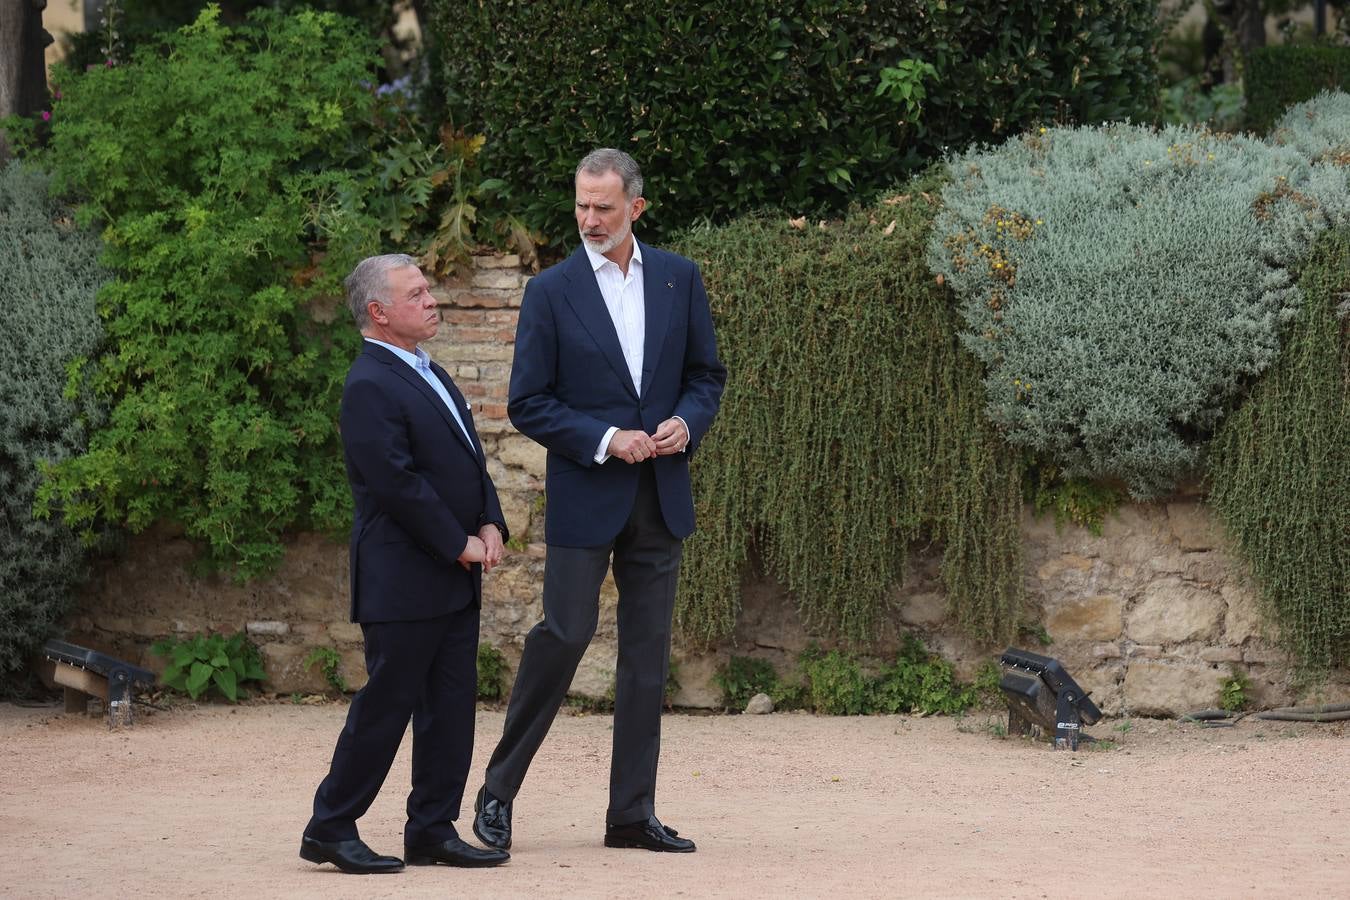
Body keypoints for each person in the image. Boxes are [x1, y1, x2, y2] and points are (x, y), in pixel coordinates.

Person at [473, 149, 726, 853]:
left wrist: (686, 423)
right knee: (562, 636)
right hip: (586, 495)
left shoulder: (679, 277)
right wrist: (608, 439)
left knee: (647, 658)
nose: (588, 218)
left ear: (635, 207)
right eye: (581, 205)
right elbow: (527, 402)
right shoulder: (550, 291)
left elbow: (706, 375)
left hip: (660, 496)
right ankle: (496, 793)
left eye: (603, 207)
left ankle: (631, 815)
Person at [299, 254, 511, 874]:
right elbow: (395, 483)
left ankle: (432, 829)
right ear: (379, 312)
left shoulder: (429, 370)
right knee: (386, 708)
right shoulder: (369, 383)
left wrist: (490, 521)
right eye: (415, 294)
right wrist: (456, 542)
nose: (431, 299)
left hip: (452, 576)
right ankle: (329, 826)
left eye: (427, 289)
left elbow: (469, 460)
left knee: (450, 708)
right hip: (403, 578)